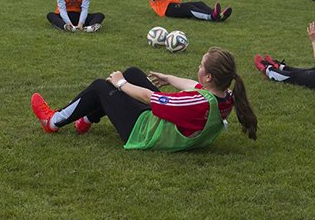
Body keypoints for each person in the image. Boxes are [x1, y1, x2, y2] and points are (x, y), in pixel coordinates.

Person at [31, 47, 257, 151]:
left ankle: (53, 121)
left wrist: (121, 84)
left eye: (201, 65)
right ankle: (87, 119)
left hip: (143, 132)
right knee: (133, 72)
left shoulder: (197, 103)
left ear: (208, 76)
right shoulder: (225, 95)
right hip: (161, 124)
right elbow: (192, 85)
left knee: (103, 85)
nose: (197, 68)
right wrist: (167, 77)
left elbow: (151, 99)